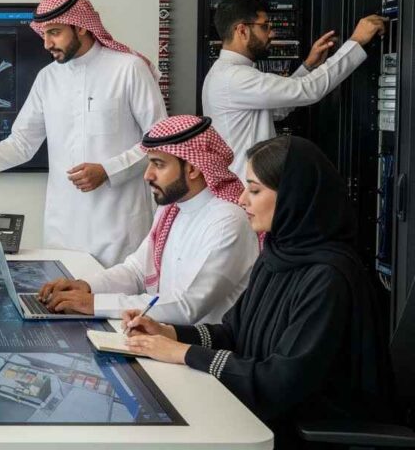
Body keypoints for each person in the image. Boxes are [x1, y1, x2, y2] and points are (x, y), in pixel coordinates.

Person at [123, 135, 391, 447]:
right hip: (256, 417)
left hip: (302, 431)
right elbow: (234, 332)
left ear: (294, 196)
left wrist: (184, 354)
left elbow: (281, 382)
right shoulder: (276, 255)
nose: (242, 200)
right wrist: (170, 333)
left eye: (255, 190)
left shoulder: (328, 278)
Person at [0, 0, 167, 266]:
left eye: (54, 33)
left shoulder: (129, 69)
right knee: (60, 303)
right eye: (44, 34)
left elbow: (160, 141)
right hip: (63, 227)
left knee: (115, 305)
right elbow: (21, 143)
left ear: (81, 28)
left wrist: (107, 171)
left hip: (118, 224)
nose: (46, 44)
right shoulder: (47, 78)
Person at [37, 115, 257, 323]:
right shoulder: (172, 208)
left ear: (192, 168)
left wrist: (94, 304)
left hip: (202, 351)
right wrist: (85, 287)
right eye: (150, 163)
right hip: (163, 338)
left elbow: (186, 306)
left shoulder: (228, 220)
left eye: (159, 164)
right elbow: (136, 271)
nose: (148, 175)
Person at [202, 0, 385, 181]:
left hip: (247, 188)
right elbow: (308, 90)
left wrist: (308, 67)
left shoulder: (225, 73)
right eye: (265, 27)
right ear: (242, 30)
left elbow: (279, 109)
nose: (271, 33)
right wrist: (356, 41)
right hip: (247, 189)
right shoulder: (235, 77)